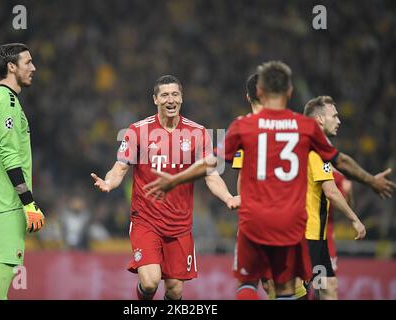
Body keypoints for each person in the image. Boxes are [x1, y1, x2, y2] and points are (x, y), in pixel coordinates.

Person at [144, 61, 396, 299]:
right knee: (287, 287)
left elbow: (212, 162)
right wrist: (371, 181)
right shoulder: (304, 126)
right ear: (289, 91)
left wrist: (175, 180)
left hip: (255, 217)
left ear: (259, 92)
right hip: (291, 219)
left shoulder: (244, 126)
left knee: (248, 282)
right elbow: (340, 160)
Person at [91, 75, 238, 300]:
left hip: (180, 225)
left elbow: (211, 175)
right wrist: (109, 182)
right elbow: (120, 168)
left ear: (182, 98)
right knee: (150, 283)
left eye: (175, 94)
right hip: (146, 221)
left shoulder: (198, 133)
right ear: (155, 100)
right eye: (165, 95)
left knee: (175, 289)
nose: (171, 99)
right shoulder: (137, 131)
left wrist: (228, 197)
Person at [0, 43, 45, 300]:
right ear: (11, 67)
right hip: (8, 202)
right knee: (3, 270)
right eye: (28, 62)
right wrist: (28, 202)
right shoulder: (8, 103)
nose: (33, 68)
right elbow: (8, 155)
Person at [299, 96, 366, 300]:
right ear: (319, 119)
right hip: (306, 235)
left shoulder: (304, 143)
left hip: (315, 236)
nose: (339, 121)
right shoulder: (316, 149)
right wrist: (355, 219)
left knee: (328, 287)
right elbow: (331, 191)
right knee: (300, 292)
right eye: (334, 116)